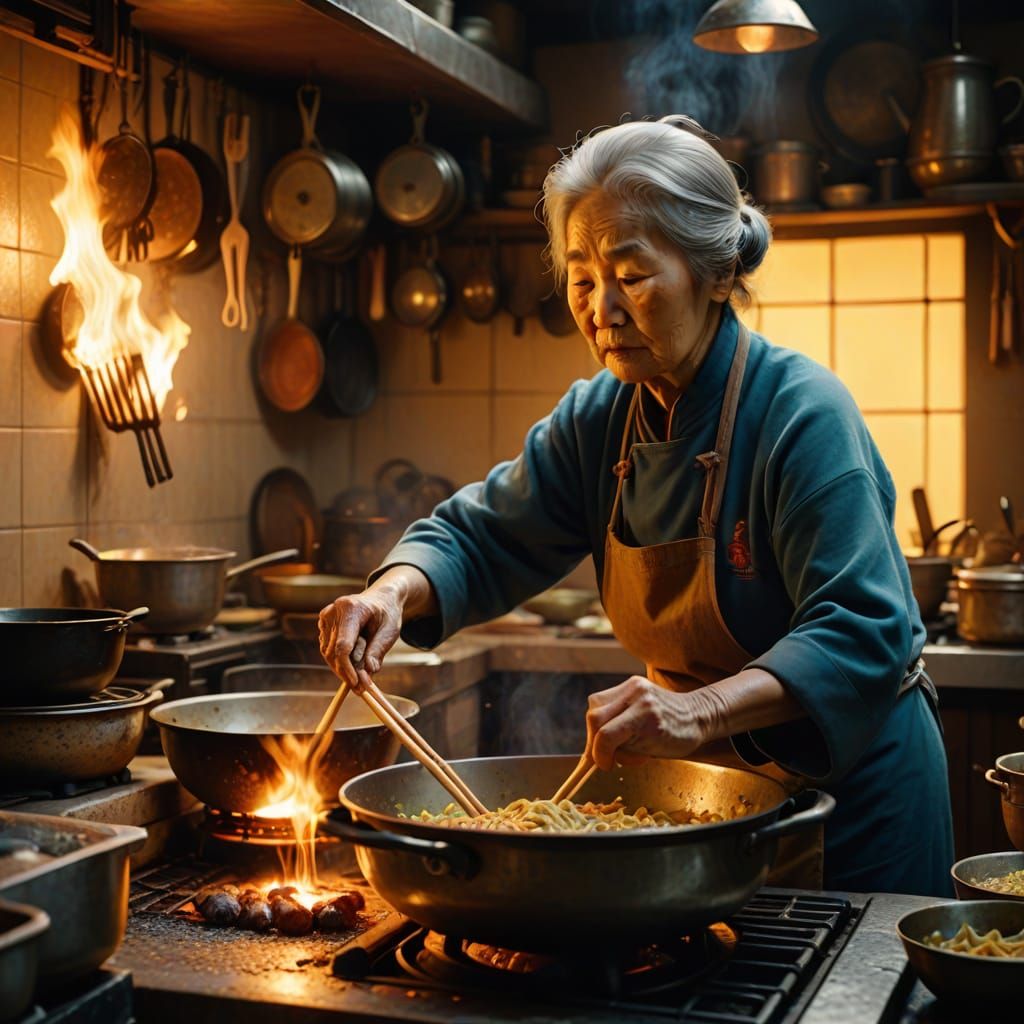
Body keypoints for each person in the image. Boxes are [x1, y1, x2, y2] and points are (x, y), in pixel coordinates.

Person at [319, 115, 954, 896]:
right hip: (708, 801)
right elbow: (480, 535)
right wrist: (391, 591)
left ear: (715, 274)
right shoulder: (601, 416)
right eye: (583, 279)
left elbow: (864, 627)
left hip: (855, 801)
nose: (601, 309)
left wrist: (695, 712)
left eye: (632, 275)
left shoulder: (804, 413)